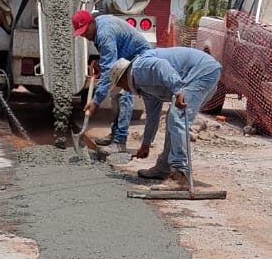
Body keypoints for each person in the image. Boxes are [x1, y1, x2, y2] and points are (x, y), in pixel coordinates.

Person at [109, 46, 221, 190]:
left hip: (202, 71)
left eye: (121, 86)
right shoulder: (143, 86)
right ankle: (163, 168)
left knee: (177, 117)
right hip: (203, 73)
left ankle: (180, 175)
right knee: (173, 119)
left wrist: (178, 89)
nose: (125, 90)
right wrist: (146, 144)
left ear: (123, 78)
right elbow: (152, 116)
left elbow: (161, 65)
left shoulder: (139, 69)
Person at [72, 10, 151, 154]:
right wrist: (100, 64)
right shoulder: (98, 27)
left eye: (84, 31)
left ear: (91, 23)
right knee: (115, 95)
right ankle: (115, 134)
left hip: (139, 57)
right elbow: (109, 59)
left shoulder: (104, 34)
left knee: (123, 95)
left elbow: (109, 70)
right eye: (80, 32)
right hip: (124, 57)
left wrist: (95, 102)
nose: (84, 35)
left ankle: (120, 142)